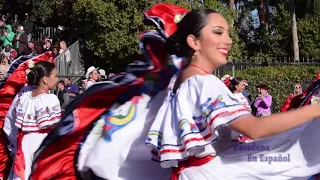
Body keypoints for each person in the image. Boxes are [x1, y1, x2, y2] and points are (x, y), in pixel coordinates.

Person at [29, 4, 320, 180]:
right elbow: (254, 128)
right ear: (194, 41)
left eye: (228, 33)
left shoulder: (181, 82)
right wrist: (316, 109)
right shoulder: (202, 83)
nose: (228, 40)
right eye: (218, 32)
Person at [5, 61, 60, 180]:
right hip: (40, 144)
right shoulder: (50, 99)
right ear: (45, 79)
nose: (57, 79)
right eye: (55, 76)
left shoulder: (24, 98)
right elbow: (55, 129)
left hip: (24, 145)